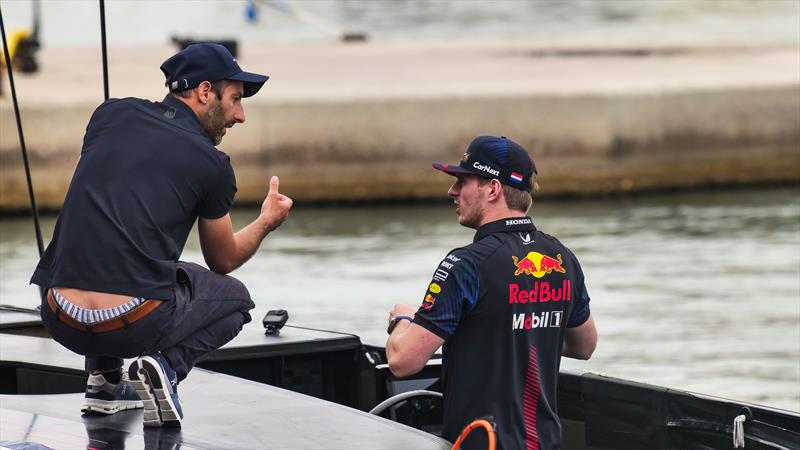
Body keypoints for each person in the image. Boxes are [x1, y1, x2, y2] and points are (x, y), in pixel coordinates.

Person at [30, 43, 293, 428]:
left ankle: (104, 384)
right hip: (133, 325)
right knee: (237, 300)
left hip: (58, 315)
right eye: (235, 99)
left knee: (116, 245)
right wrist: (266, 220)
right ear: (205, 92)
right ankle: (165, 367)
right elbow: (222, 259)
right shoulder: (213, 165)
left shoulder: (109, 115)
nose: (240, 116)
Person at [386, 136, 597, 450]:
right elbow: (585, 346)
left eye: (462, 181)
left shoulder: (465, 265)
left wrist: (402, 320)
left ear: (493, 189)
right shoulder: (562, 257)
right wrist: (525, 323)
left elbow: (403, 362)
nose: (452, 191)